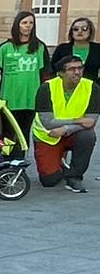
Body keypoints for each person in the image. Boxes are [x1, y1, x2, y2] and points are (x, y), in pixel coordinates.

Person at [32, 55, 98, 192]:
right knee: (49, 181)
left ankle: (75, 176)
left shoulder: (92, 87)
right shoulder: (46, 88)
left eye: (80, 68)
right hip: (48, 135)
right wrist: (77, 120)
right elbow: (48, 123)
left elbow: (91, 121)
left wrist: (66, 129)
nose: (77, 72)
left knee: (88, 136)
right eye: (72, 69)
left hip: (71, 133)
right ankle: (60, 163)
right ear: (60, 73)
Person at [0, 10, 49, 138]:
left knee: (24, 134)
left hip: (30, 99)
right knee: (8, 133)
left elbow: (46, 74)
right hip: (9, 98)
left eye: (31, 23)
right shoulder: (5, 47)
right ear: (17, 25)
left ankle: (21, 152)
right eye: (24, 22)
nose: (28, 26)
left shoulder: (40, 47)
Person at [50, 16, 100, 81]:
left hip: (91, 85)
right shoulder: (62, 49)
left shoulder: (97, 49)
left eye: (84, 28)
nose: (80, 31)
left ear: (90, 31)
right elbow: (53, 69)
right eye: (76, 29)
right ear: (71, 32)